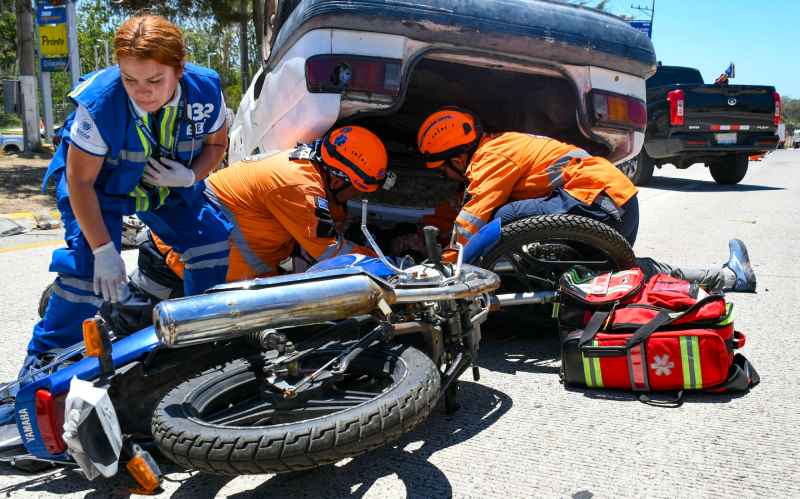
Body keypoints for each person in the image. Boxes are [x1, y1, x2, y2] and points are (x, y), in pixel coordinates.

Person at [26, 15, 232, 370]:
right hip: (99, 188)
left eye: (155, 79)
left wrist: (190, 176)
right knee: (88, 268)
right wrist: (105, 249)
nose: (142, 91)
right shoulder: (101, 103)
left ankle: (196, 341)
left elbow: (217, 144)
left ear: (179, 69)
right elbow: (79, 181)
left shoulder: (206, 91)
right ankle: (44, 360)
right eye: (130, 79)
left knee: (209, 240)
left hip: (166, 182)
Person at [415, 106, 756, 293]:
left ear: (457, 157)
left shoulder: (493, 156)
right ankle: (725, 277)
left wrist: (446, 268)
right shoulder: (494, 151)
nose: (445, 176)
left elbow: (472, 219)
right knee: (608, 276)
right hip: (610, 205)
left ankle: (456, 279)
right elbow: (461, 211)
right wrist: (420, 230)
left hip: (600, 203)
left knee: (508, 215)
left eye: (442, 168)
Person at [135, 125, 392, 286]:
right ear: (338, 177)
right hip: (181, 264)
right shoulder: (298, 185)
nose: (354, 197)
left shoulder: (307, 169)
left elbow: (325, 222)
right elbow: (330, 252)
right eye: (355, 189)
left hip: (201, 262)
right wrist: (391, 265)